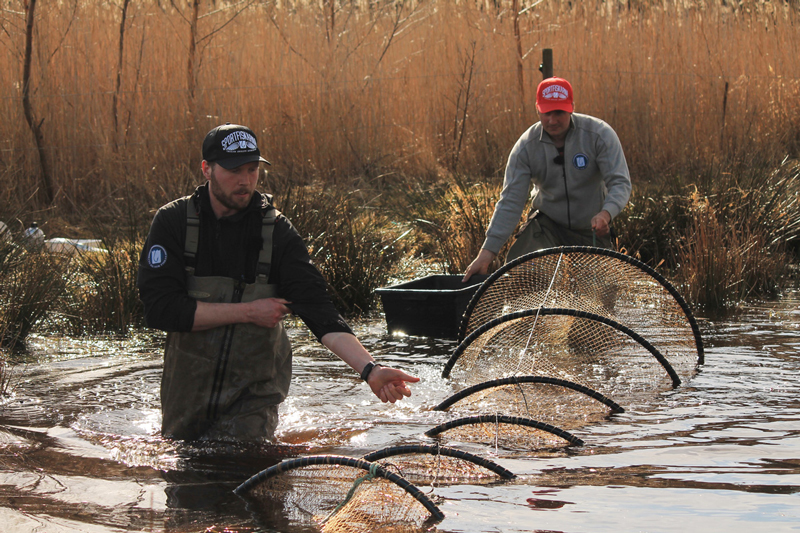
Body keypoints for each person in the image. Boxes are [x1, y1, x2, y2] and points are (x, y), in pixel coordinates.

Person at [137, 123, 419, 443]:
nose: (245, 180)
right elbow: (161, 310)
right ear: (207, 169)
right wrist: (247, 312)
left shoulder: (276, 231)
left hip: (254, 394)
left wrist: (370, 370)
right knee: (186, 474)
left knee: (246, 457)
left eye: (252, 169)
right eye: (233, 170)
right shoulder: (172, 222)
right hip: (186, 393)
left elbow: (319, 311)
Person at [463, 77, 631, 281]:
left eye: (559, 112)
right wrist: (487, 253)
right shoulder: (526, 147)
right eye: (546, 113)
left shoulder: (599, 135)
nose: (552, 120)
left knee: (599, 295)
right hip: (547, 226)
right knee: (520, 277)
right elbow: (510, 202)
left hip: (592, 227)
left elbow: (620, 183)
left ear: (571, 108)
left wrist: (606, 214)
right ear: (537, 109)